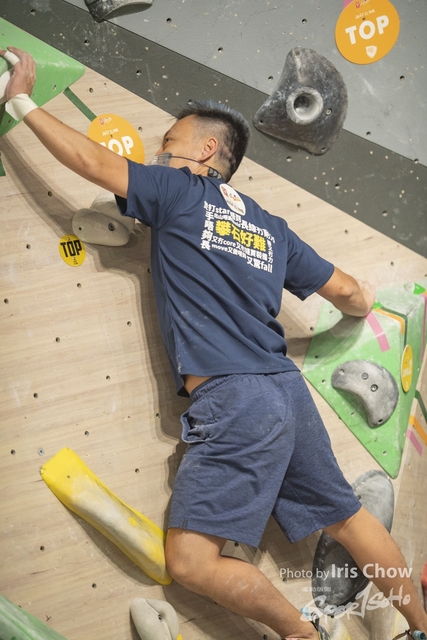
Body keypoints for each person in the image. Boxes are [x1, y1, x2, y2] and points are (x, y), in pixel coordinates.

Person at [1, 47, 426, 640]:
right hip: (286, 393)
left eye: (167, 142)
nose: (158, 153)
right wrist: (365, 301)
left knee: (190, 562)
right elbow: (350, 292)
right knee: (350, 521)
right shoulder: (270, 227)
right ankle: (420, 625)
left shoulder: (179, 190)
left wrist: (20, 99)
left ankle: (303, 636)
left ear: (205, 150)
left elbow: (91, 162)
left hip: (234, 397)